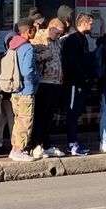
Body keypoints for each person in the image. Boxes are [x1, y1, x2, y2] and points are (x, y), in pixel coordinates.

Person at [28, 18, 66, 158]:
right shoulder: (39, 39)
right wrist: (44, 55)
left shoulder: (56, 42)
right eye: (57, 33)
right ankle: (36, 144)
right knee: (41, 115)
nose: (58, 36)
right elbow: (31, 57)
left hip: (55, 82)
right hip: (44, 81)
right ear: (51, 28)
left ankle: (46, 143)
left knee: (49, 115)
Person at [62, 12, 93, 156]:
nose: (92, 26)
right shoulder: (73, 40)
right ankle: (71, 143)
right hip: (74, 82)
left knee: (77, 111)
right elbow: (73, 62)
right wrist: (83, 76)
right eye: (90, 23)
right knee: (72, 112)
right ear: (84, 23)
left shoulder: (83, 39)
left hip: (82, 82)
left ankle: (74, 141)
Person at [8, 18, 39, 161]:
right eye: (34, 29)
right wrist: (35, 80)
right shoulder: (27, 47)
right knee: (26, 121)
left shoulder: (13, 45)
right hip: (26, 89)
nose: (36, 31)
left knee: (17, 120)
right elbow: (28, 71)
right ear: (28, 31)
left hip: (15, 89)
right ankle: (19, 150)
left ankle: (15, 148)